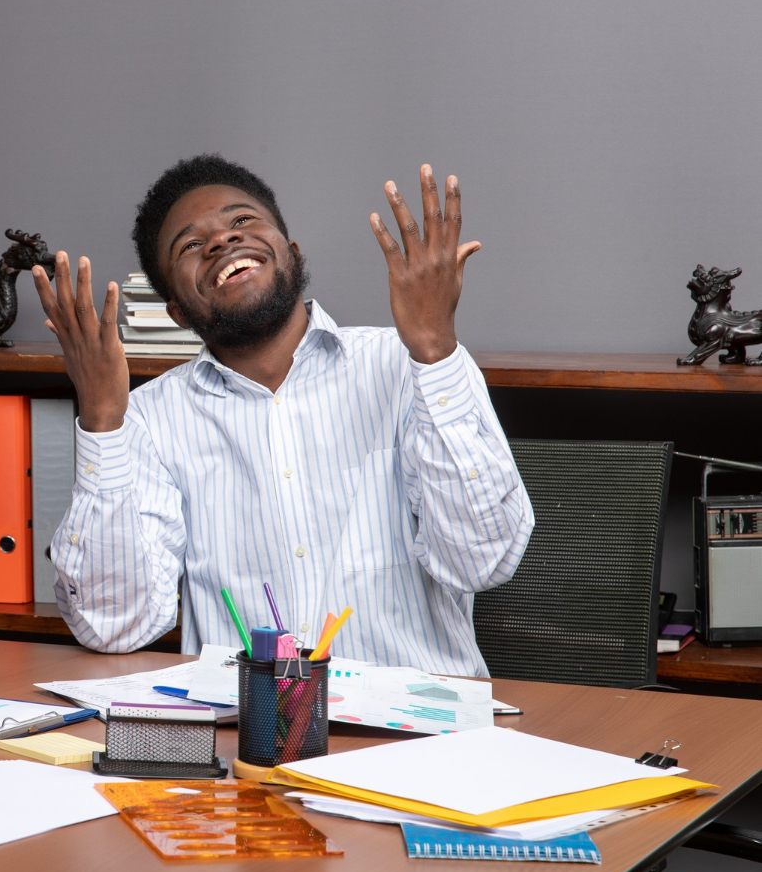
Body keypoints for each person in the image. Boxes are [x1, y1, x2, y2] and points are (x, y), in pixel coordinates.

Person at [32, 154, 532, 676]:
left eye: (242, 219)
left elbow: (481, 560)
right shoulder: (148, 419)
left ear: (292, 252)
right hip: (248, 721)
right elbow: (115, 625)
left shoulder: (413, 364)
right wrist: (102, 423)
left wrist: (434, 350)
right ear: (176, 310)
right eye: (190, 245)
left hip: (414, 719)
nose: (221, 240)